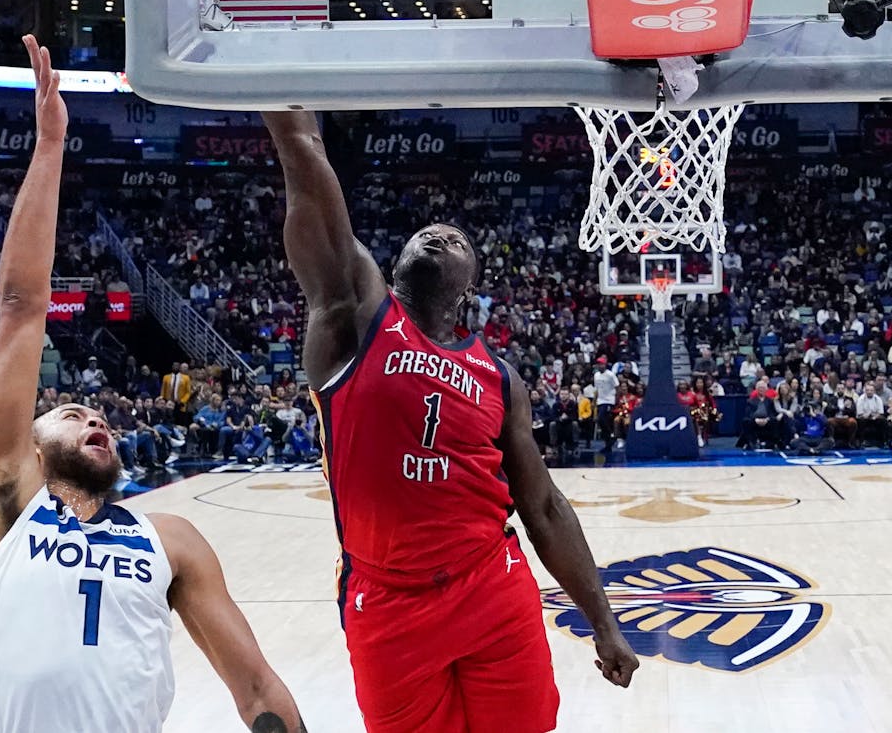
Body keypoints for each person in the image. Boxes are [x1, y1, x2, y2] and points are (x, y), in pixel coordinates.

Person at [0, 37, 306, 733]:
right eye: (72, 411)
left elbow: (257, 685)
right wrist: (50, 146)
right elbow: (22, 306)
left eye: (95, 414)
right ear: (31, 442)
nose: (92, 419)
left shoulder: (170, 539)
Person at [263, 109, 637, 733]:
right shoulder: (355, 317)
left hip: (491, 583)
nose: (439, 234)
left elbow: (542, 507)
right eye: (428, 232)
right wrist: (281, 112)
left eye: (457, 238)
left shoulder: (500, 377)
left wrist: (603, 621)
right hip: (387, 600)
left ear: (468, 294)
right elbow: (307, 172)